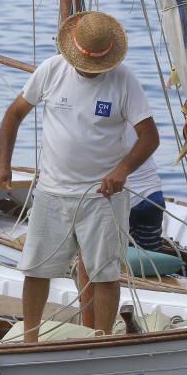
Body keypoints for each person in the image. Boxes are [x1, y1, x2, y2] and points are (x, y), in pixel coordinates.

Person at [0, 10, 159, 342]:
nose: (89, 71)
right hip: (52, 192)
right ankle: (30, 339)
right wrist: (2, 164)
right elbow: (13, 114)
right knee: (36, 269)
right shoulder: (51, 70)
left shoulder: (125, 80)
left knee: (104, 273)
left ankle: (101, 339)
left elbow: (149, 136)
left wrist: (121, 172)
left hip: (102, 196)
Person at [77, 126, 163, 330]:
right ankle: (147, 316)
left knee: (94, 265)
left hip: (115, 199)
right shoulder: (138, 115)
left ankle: (94, 330)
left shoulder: (99, 121)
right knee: (149, 268)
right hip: (152, 198)